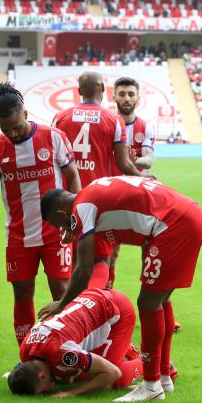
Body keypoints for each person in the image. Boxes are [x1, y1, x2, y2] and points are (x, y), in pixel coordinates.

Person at [39, 176, 202, 402]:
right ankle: (163, 376)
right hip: (187, 216)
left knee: (148, 303)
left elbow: (84, 269)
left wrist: (63, 304)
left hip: (173, 225)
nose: (63, 229)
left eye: (59, 224)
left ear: (61, 214)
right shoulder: (92, 192)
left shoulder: (82, 209)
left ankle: (151, 386)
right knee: (161, 300)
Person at [0, 83, 82, 347]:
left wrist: (74, 220)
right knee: (22, 294)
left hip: (55, 234)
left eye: (16, 127)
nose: (12, 134)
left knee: (62, 292)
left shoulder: (53, 137)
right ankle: (27, 355)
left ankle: (67, 351)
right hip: (18, 236)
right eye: (5, 130)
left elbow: (72, 177)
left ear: (25, 114)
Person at [51, 71, 147, 288]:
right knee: (102, 258)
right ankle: (97, 306)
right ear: (104, 91)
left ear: (79, 92)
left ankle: (76, 310)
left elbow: (54, 162)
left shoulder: (60, 117)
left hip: (70, 199)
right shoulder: (113, 120)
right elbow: (124, 164)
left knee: (76, 260)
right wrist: (144, 181)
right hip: (100, 199)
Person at [8, 288, 146, 398]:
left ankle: (151, 363)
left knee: (108, 382)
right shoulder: (25, 351)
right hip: (90, 301)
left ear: (41, 376)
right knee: (75, 373)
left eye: (43, 392)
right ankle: (124, 349)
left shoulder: (62, 353)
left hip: (117, 309)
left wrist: (71, 393)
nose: (48, 391)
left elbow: (113, 373)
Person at [108, 77, 157, 288]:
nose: (126, 98)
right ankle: (105, 294)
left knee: (149, 244)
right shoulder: (108, 124)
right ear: (114, 97)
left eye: (130, 94)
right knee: (111, 248)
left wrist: (130, 160)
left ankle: (153, 295)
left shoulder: (145, 127)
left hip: (138, 191)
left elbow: (149, 159)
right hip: (112, 191)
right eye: (122, 94)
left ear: (138, 98)